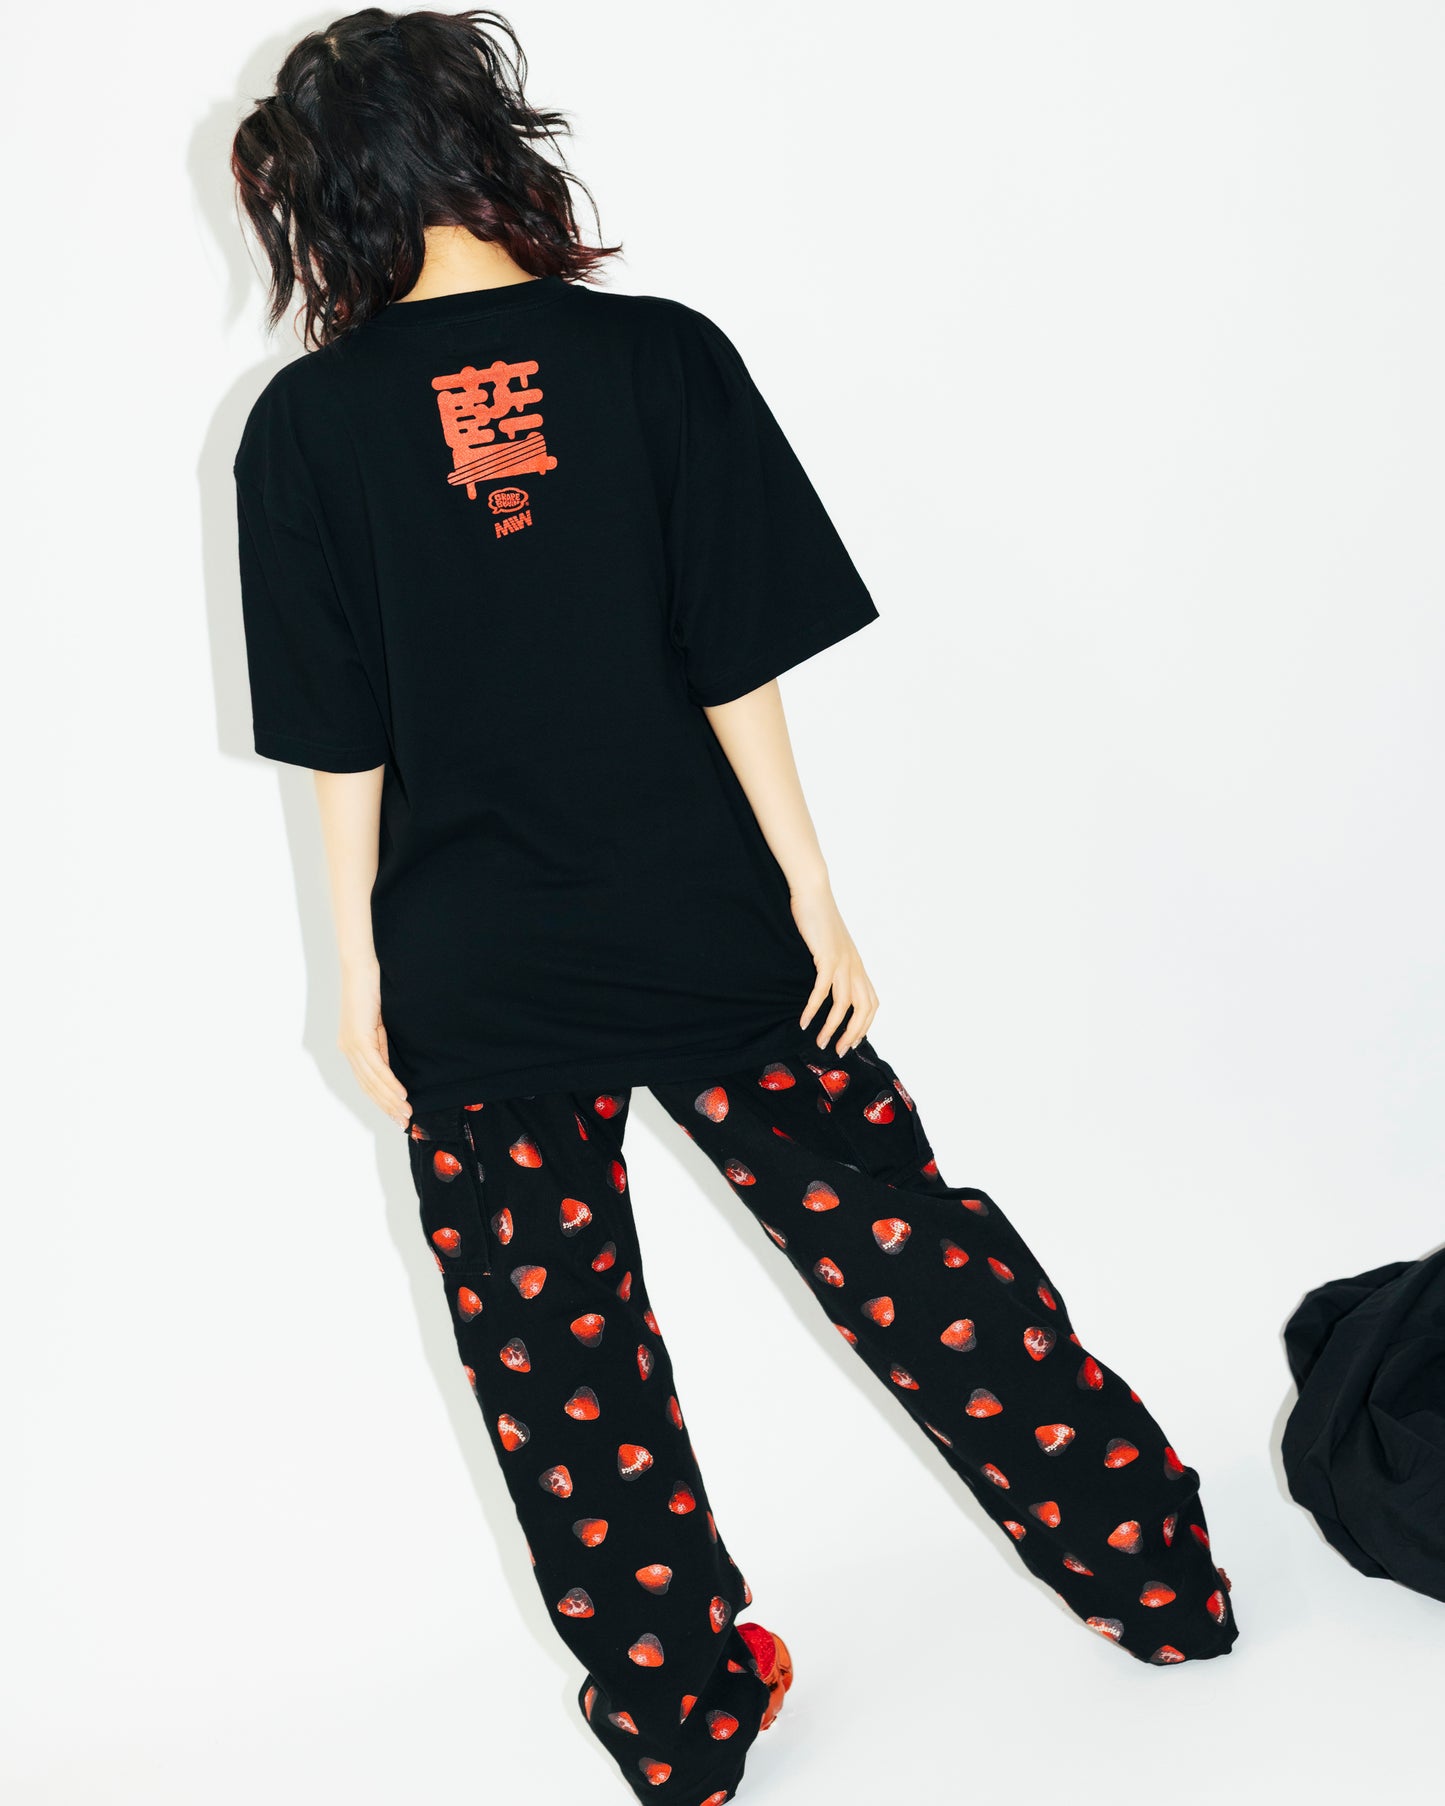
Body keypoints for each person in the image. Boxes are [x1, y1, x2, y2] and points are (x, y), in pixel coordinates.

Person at [230, 9, 1238, 1801]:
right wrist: (808, 891)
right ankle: (1153, 1581)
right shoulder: (660, 357)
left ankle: (683, 1720)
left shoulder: (305, 426)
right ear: (490, 144)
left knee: (558, 1370)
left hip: (474, 964)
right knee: (911, 1255)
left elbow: (343, 740)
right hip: (704, 916)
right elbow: (731, 664)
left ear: (325, 201)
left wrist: (359, 966)